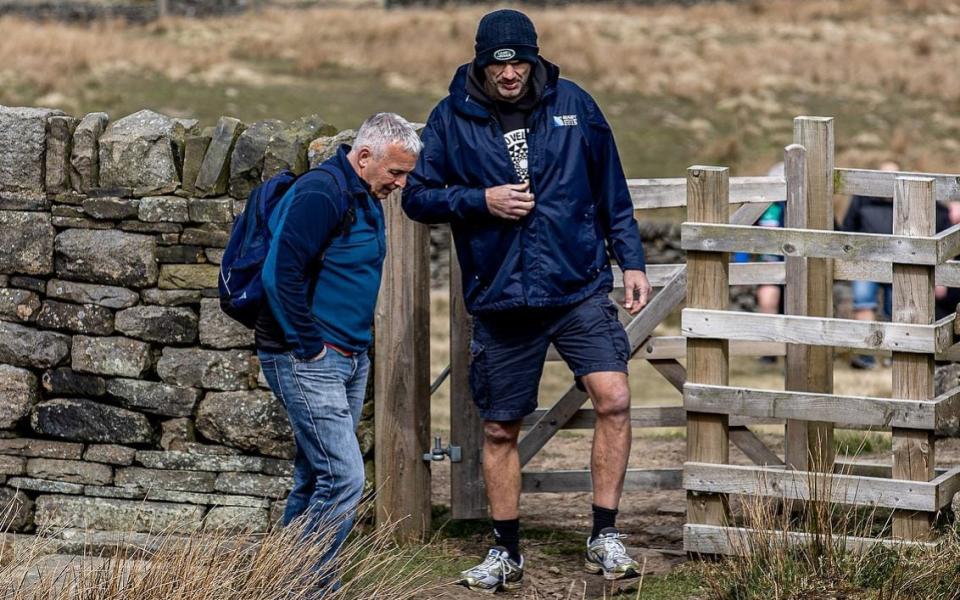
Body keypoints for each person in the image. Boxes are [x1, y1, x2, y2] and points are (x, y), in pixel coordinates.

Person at [402, 9, 651, 593]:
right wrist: (479, 200)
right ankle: (506, 550)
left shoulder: (575, 105)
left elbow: (611, 189)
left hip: (577, 285)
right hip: (502, 295)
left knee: (614, 399)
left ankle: (604, 535)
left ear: (534, 58)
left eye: (519, 60)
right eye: (498, 61)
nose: (509, 72)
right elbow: (418, 197)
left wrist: (631, 260)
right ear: (480, 61)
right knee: (498, 431)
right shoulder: (451, 117)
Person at [255, 113, 421, 569]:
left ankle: (277, 580)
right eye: (396, 172)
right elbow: (279, 274)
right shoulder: (320, 192)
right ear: (364, 156)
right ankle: (307, 584)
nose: (402, 184)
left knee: (313, 478)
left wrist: (353, 352)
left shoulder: (364, 194)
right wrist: (310, 348)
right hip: (308, 357)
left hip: (347, 357)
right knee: (345, 479)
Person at [840, 160, 952, 369]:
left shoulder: (909, 197)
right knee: (863, 303)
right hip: (867, 262)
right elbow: (848, 227)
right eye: (883, 175)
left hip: (901, 262)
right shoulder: (862, 198)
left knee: (900, 308)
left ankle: (898, 356)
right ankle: (866, 357)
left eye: (893, 175)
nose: (887, 181)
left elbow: (940, 218)